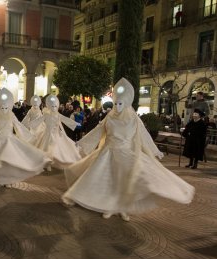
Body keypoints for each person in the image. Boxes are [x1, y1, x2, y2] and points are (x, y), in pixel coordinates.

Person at [62, 78, 195, 221]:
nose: (118, 107)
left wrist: (154, 150)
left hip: (126, 154)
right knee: (105, 180)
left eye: (120, 104)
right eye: (116, 104)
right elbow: (98, 131)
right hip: (107, 153)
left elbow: (143, 135)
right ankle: (109, 205)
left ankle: (121, 207)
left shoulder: (133, 119)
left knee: (124, 181)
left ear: (126, 103)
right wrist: (82, 142)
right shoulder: (110, 117)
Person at [31, 95, 81, 170]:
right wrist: (32, 124)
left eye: (55, 106)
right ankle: (47, 162)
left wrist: (75, 123)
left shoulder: (57, 115)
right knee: (47, 146)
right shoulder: (46, 114)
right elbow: (39, 120)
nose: (54, 108)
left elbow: (65, 119)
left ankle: (52, 161)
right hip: (47, 133)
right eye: (52, 106)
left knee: (55, 147)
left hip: (56, 133)